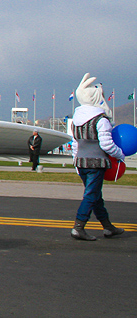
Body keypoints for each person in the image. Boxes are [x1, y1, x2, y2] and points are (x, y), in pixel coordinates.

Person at [69, 73, 125, 241]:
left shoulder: (76, 120)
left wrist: (76, 163)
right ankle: (78, 227)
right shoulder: (101, 120)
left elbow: (75, 144)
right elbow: (106, 145)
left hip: (81, 162)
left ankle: (108, 227)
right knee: (91, 195)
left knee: (95, 196)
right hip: (96, 163)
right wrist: (120, 154)